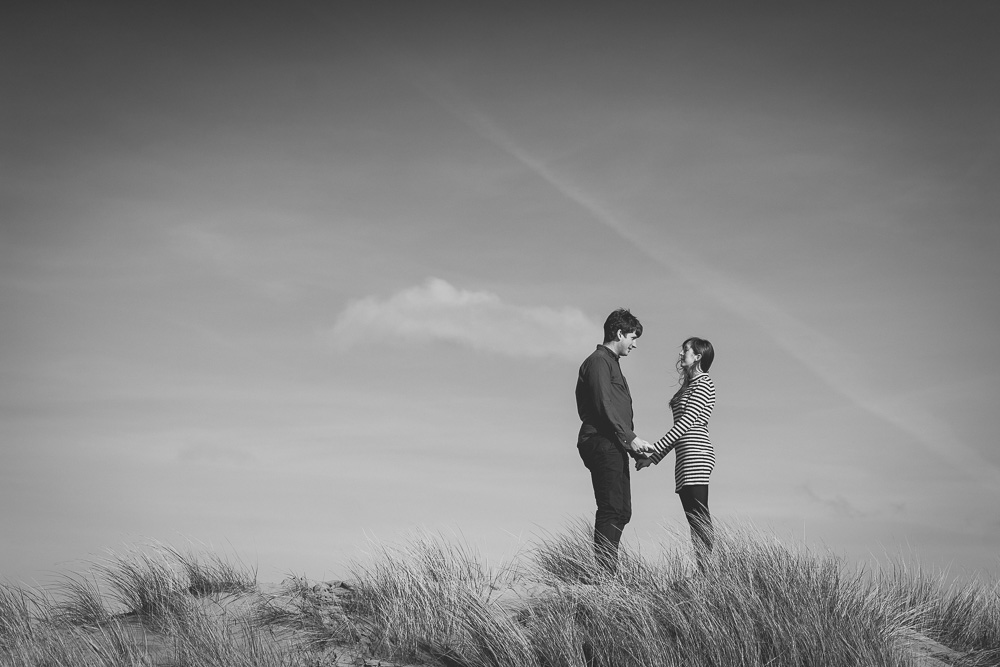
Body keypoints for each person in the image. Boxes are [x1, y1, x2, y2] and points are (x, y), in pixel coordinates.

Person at [576, 308, 653, 575]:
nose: (635, 343)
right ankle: (604, 577)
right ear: (619, 333)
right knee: (611, 508)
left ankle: (607, 573)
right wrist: (630, 439)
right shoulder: (599, 361)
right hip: (599, 441)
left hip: (614, 443)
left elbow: (616, 413)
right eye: (632, 337)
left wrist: (634, 451)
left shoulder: (611, 363)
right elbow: (603, 405)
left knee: (622, 510)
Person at [637, 337, 716, 572]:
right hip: (683, 457)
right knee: (693, 519)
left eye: (686, 351)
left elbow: (685, 425)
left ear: (698, 356)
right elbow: (679, 430)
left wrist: (655, 450)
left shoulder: (704, 384)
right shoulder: (688, 386)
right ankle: (703, 571)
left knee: (700, 516)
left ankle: (708, 572)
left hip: (697, 454)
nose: (681, 355)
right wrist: (653, 459)